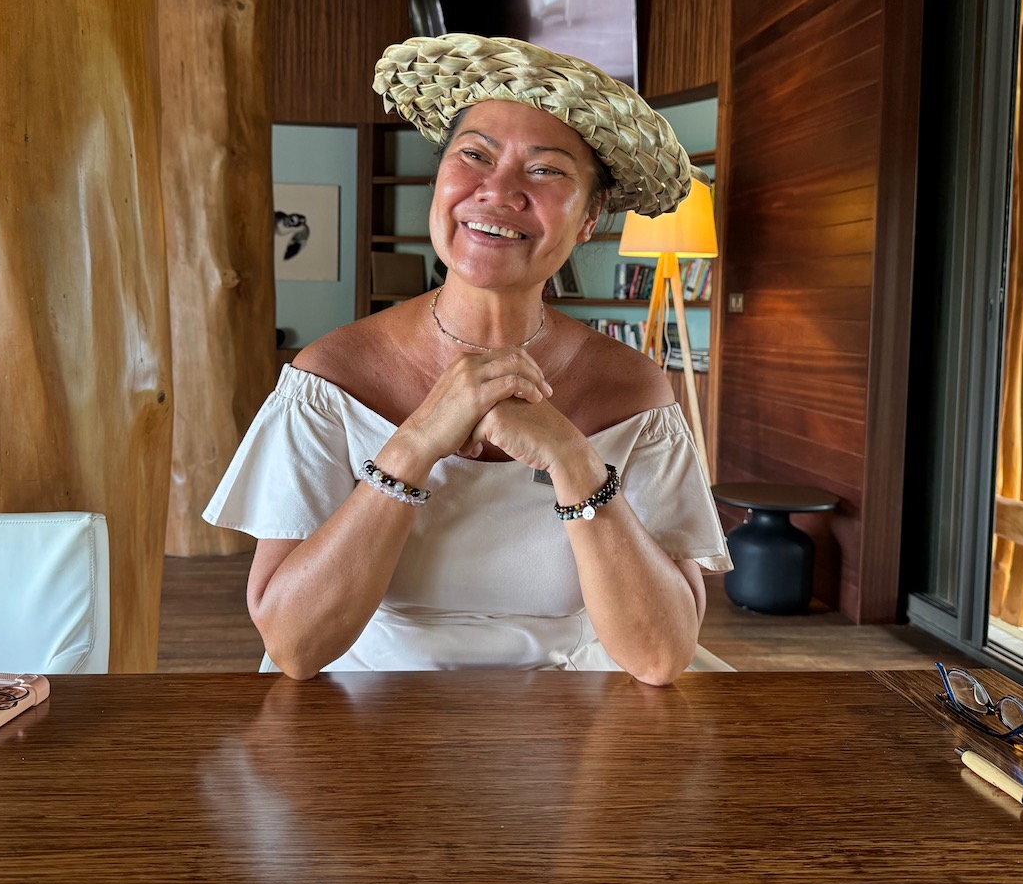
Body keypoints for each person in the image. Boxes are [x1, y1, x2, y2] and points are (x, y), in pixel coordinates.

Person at [203, 34, 730, 684]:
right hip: (366, 711)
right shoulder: (329, 376)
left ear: (591, 214)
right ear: (442, 176)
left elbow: (659, 655)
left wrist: (572, 458)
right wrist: (420, 438)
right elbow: (293, 645)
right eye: (474, 155)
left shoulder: (635, 391)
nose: (498, 189)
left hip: (585, 716)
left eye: (545, 169)